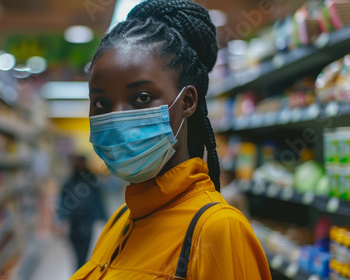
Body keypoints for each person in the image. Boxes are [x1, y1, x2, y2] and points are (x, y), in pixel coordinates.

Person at [70, 1, 272, 279]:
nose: (116, 119)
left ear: (187, 101)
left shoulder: (216, 229)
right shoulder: (121, 220)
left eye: (141, 98)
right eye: (101, 103)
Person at [59, 155, 107, 270]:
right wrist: (61, 218)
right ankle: (79, 270)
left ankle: (80, 271)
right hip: (74, 222)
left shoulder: (92, 181)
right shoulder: (69, 182)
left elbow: (98, 199)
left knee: (84, 252)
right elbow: (63, 202)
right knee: (77, 254)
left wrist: (103, 217)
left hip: (87, 221)